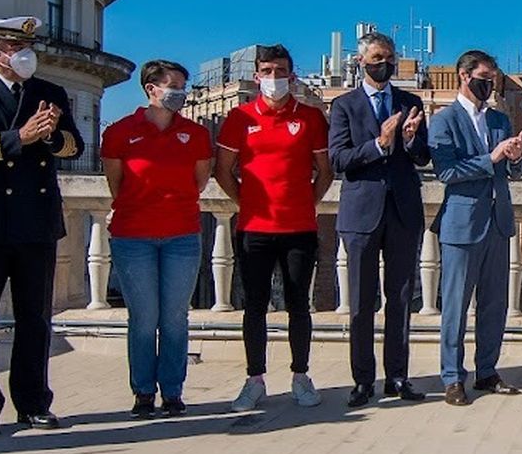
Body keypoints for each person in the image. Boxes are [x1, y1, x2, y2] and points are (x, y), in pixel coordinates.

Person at [0, 16, 84, 439]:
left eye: (28, 45)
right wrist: (17, 138)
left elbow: (73, 146)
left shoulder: (49, 93)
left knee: (35, 319)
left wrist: (48, 135)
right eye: (14, 46)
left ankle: (33, 402)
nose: (25, 54)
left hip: (35, 223)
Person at [215, 44, 331, 413]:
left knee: (299, 305)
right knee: (255, 306)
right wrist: (246, 202)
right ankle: (255, 380)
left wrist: (306, 202)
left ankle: (301, 376)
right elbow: (223, 170)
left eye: (281, 71)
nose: (274, 78)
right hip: (254, 229)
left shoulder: (311, 118)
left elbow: (325, 172)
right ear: (257, 76)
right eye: (267, 71)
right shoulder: (239, 117)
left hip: (299, 227)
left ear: (292, 76)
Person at [100, 59, 212, 419]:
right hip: (134, 238)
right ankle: (143, 391)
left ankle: (173, 391)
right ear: (152, 89)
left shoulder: (194, 134)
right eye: (173, 84)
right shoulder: (119, 132)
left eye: (182, 85)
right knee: (144, 317)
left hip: (181, 235)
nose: (180, 92)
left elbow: (199, 180)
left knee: (176, 317)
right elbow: (116, 183)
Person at [328, 32, 430, 409]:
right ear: (361, 62)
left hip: (403, 212)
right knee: (360, 301)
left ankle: (398, 376)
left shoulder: (410, 101)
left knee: (401, 298)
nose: (382, 63)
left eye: (388, 57)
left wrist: (409, 138)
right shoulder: (344, 106)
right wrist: (379, 144)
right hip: (361, 215)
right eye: (376, 57)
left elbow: (422, 158)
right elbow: (338, 160)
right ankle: (362, 380)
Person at [429, 50, 522, 406]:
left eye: (494, 78)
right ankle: (452, 378)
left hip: (498, 224)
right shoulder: (444, 121)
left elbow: (512, 171)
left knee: (494, 304)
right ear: (464, 76)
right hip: (462, 224)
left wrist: (515, 157)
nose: (490, 84)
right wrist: (492, 158)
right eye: (484, 77)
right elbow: (447, 172)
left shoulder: (499, 119)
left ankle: (487, 371)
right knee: (455, 305)